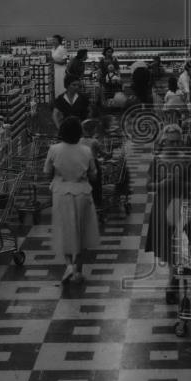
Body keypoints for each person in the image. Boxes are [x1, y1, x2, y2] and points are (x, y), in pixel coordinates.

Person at [43, 116, 100, 284]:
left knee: (64, 230)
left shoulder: (54, 149)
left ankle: (68, 265)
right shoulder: (86, 151)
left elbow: (46, 172)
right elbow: (93, 174)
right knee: (82, 231)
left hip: (61, 193)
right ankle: (78, 269)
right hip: (82, 192)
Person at [145, 124, 191, 302]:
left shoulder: (188, 160)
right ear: (164, 141)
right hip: (162, 204)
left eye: (177, 142)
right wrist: (163, 184)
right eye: (170, 142)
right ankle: (172, 280)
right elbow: (147, 186)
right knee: (168, 245)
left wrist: (181, 185)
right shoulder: (156, 160)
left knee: (180, 243)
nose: (174, 145)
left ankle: (174, 279)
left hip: (181, 204)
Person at [80, 118, 105, 209]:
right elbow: (101, 152)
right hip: (93, 163)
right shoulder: (94, 141)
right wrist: (108, 154)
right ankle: (97, 202)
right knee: (96, 184)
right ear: (92, 130)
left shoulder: (80, 140)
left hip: (82, 164)